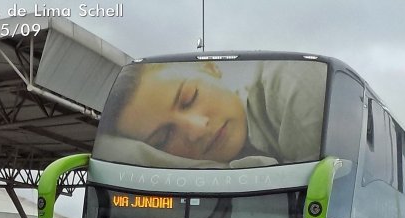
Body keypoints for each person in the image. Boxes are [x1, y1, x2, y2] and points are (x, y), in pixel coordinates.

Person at [96, 59, 325, 167]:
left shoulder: (288, 81)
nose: (196, 129)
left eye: (189, 98)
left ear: (211, 68)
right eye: (163, 138)